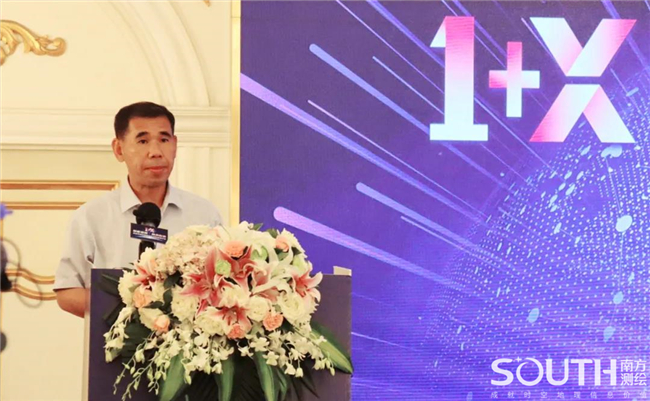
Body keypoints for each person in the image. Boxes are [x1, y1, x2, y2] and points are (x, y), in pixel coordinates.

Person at [54, 102, 222, 317]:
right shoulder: (91, 216)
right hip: (117, 336)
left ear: (175, 145)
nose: (156, 152)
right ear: (119, 149)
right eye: (143, 141)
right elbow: (67, 291)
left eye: (164, 140)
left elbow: (222, 285)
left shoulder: (204, 214)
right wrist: (128, 310)